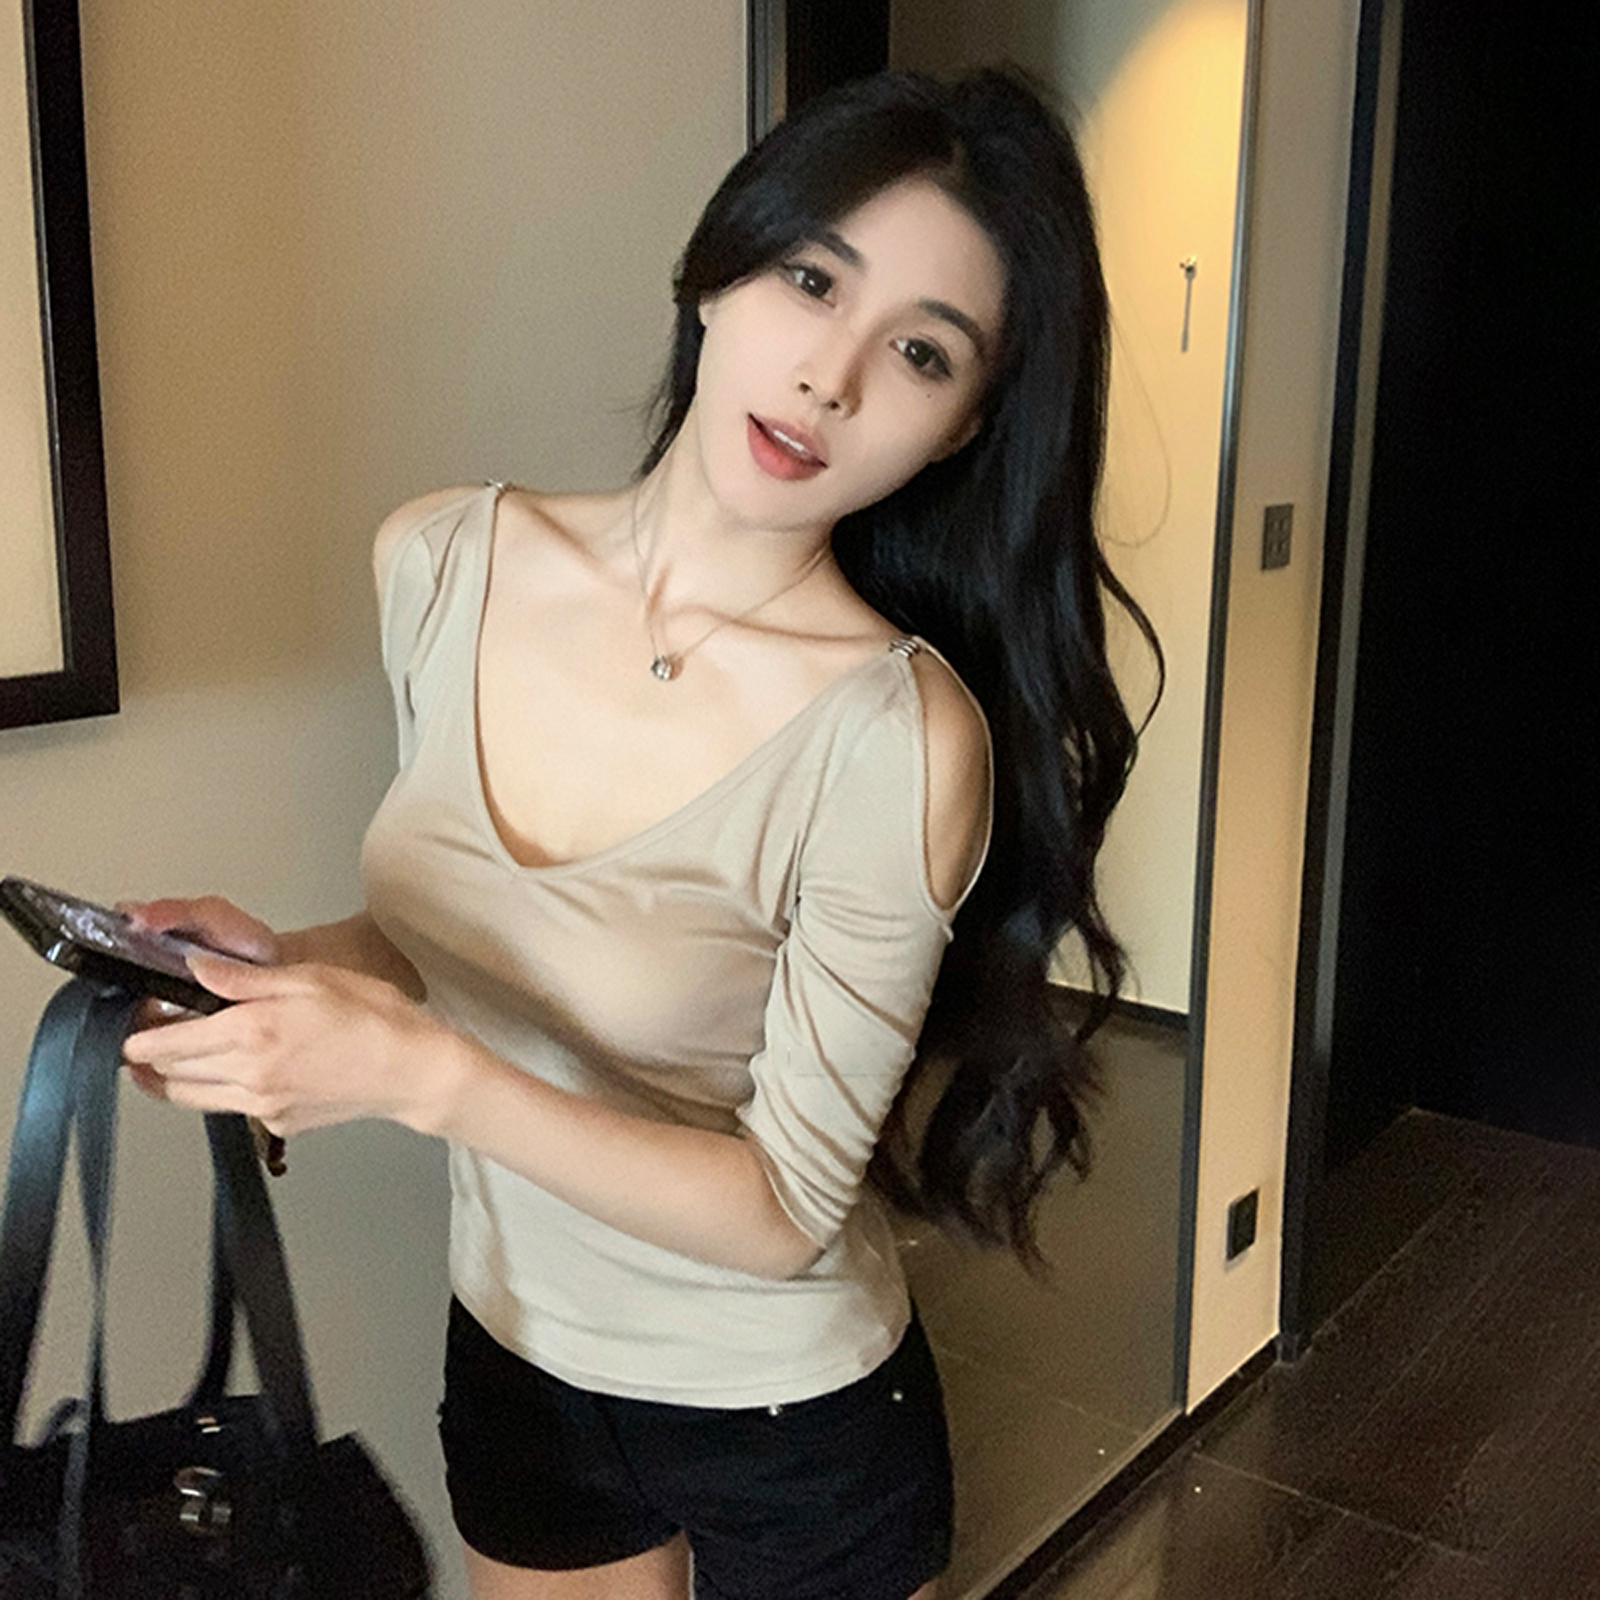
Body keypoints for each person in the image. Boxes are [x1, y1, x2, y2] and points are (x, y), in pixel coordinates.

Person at [122, 66, 1156, 1600]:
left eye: (920, 352)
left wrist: (415, 1077)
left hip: (785, 1417)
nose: (829, 377)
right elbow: (456, 937)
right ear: (718, 271)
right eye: (813, 280)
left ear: (963, 428)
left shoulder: (896, 737)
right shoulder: (443, 562)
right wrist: (277, 968)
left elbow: (784, 1214)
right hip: (520, 1351)